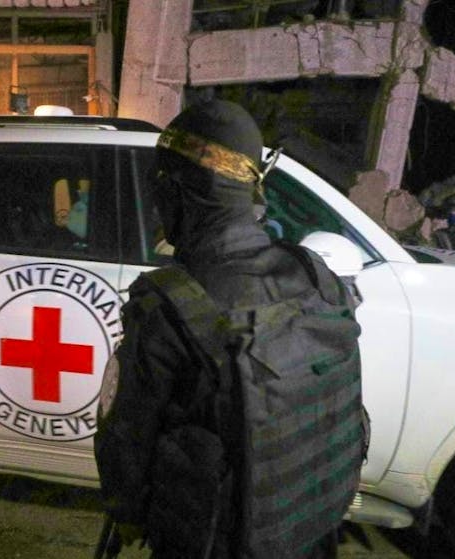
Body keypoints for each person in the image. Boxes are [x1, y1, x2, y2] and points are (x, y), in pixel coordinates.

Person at [94, 99, 367, 559]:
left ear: (179, 193)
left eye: (161, 187)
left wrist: (127, 512)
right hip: (310, 530)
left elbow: (126, 443)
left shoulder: (168, 306)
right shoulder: (316, 275)